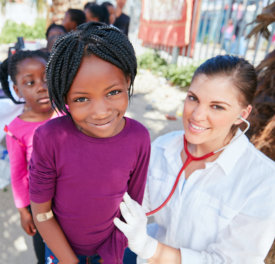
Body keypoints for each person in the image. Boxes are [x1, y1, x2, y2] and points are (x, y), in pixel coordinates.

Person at [114, 55, 275, 263]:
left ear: (242, 114)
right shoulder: (163, 147)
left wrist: (149, 248)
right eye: (193, 98)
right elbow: (134, 203)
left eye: (217, 106)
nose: (197, 115)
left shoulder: (264, 181)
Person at [29, 22, 150, 264]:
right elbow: (41, 213)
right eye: (81, 98)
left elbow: (131, 207)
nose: (100, 112)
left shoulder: (139, 138)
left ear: (128, 80)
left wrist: (111, 256)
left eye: (113, 92)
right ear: (65, 97)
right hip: (60, 251)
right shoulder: (50, 138)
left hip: (116, 251)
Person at [0, 50, 57, 264]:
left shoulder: (68, 113)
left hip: (73, 202)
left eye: (46, 77)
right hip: (41, 208)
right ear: (18, 90)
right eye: (30, 83)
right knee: (45, 254)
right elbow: (18, 174)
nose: (41, 86)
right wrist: (24, 212)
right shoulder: (15, 129)